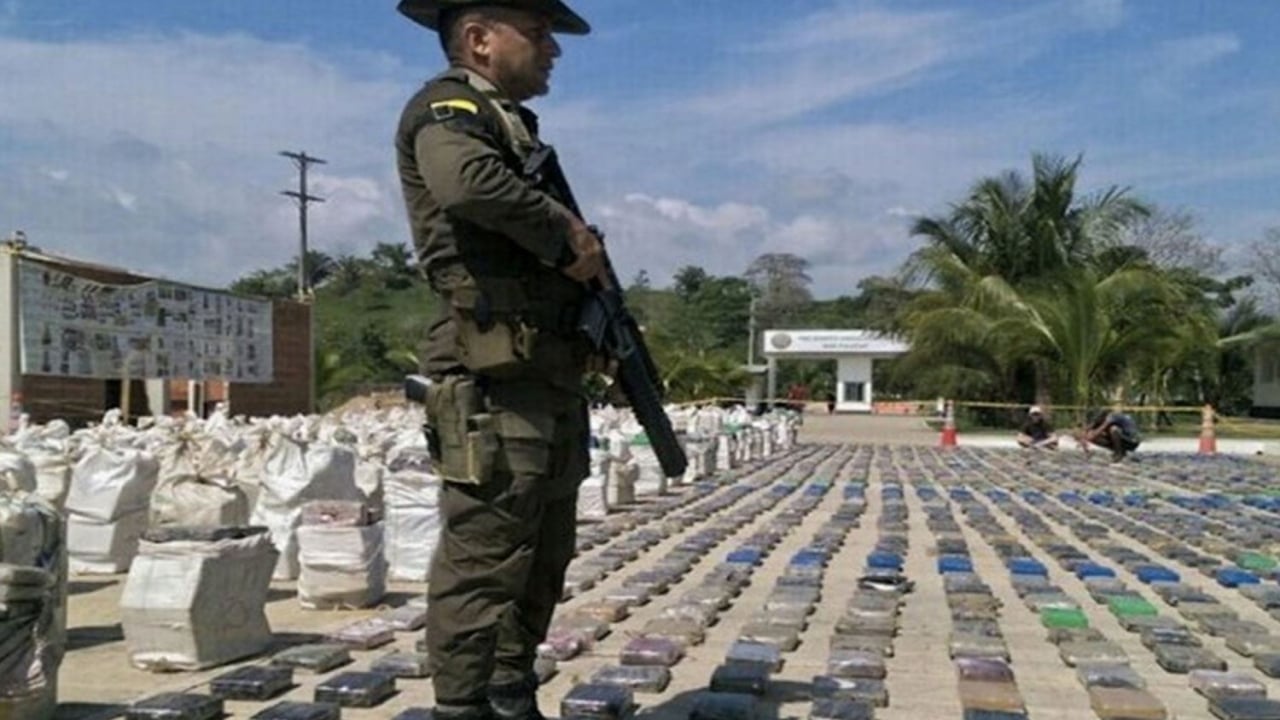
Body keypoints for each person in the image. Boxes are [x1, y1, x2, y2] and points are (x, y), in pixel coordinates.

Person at [394, 2, 602, 719]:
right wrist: (566, 233)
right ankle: (462, 707)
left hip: (544, 377)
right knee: (483, 562)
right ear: (481, 39)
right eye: (538, 33)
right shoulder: (448, 109)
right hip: (491, 379)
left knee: (544, 555)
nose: (553, 50)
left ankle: (511, 694)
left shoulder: (511, 125)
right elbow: (465, 185)